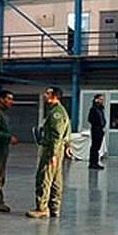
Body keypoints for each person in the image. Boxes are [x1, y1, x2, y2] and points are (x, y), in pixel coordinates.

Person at [27, 87, 72, 219]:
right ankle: (54, 208)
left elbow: (56, 135)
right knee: (56, 179)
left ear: (54, 96)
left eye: (47, 93)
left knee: (44, 178)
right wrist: (67, 145)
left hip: (52, 149)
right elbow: (66, 131)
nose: (45, 95)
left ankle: (42, 208)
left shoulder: (56, 113)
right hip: (57, 149)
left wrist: (52, 154)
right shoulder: (59, 111)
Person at [88, 94, 106, 169]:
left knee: (98, 147)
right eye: (100, 99)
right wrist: (97, 124)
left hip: (100, 129)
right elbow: (90, 119)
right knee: (94, 147)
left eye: (102, 99)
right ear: (96, 100)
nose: (102, 101)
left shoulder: (100, 109)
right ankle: (92, 163)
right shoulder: (93, 109)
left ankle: (96, 162)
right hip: (96, 129)